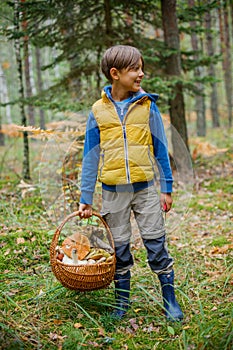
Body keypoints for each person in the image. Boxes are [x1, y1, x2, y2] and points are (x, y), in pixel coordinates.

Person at [78, 45, 183, 321]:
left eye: (141, 68)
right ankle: (122, 303)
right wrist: (85, 197)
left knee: (156, 244)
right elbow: (90, 158)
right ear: (115, 74)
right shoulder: (98, 112)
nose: (141, 74)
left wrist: (166, 188)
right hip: (113, 193)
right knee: (119, 248)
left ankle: (169, 301)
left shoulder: (147, 106)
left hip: (146, 189)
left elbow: (161, 150)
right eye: (135, 69)